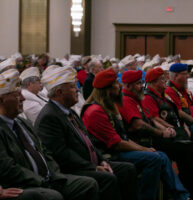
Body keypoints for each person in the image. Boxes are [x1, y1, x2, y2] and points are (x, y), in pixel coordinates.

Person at [82, 69, 191, 200]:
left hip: (118, 148)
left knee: (159, 155)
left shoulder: (107, 106)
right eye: (117, 83)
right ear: (107, 89)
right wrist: (144, 149)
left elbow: (123, 137)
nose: (120, 86)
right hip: (108, 155)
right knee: (154, 158)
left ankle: (180, 195)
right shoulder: (96, 111)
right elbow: (116, 143)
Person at [35, 66, 137, 200]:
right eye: (72, 87)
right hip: (72, 169)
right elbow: (61, 154)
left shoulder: (69, 112)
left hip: (88, 164)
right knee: (108, 179)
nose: (77, 89)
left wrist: (102, 161)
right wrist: (93, 167)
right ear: (59, 92)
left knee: (127, 169)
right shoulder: (49, 117)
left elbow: (88, 143)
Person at [0, 69, 100, 200]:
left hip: (48, 177)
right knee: (53, 196)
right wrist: (42, 181)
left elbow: (44, 152)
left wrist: (53, 175)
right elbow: (8, 167)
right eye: (17, 95)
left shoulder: (22, 123)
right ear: (1, 100)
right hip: (26, 183)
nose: (23, 98)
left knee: (88, 184)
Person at [118, 70, 193, 200]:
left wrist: (175, 128)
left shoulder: (138, 97)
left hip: (154, 136)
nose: (142, 86)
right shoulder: (131, 99)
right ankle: (189, 191)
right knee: (189, 149)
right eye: (138, 83)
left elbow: (151, 119)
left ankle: (189, 188)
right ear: (128, 86)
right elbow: (140, 124)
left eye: (141, 82)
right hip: (145, 140)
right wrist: (163, 131)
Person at [142, 67, 193, 184]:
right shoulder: (149, 97)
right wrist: (174, 129)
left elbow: (176, 113)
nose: (165, 81)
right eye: (162, 79)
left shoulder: (162, 96)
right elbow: (155, 119)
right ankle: (190, 186)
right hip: (163, 136)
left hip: (175, 130)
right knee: (192, 148)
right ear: (154, 82)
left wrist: (183, 125)